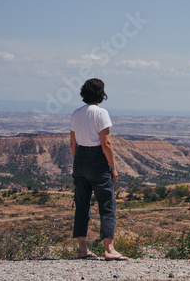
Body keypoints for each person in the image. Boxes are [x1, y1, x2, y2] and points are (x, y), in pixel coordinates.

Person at [70, 78, 128, 261]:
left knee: (82, 205)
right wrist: (112, 167)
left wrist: (78, 162)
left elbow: (73, 142)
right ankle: (109, 249)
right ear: (101, 94)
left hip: (79, 159)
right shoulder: (101, 113)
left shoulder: (76, 113)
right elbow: (106, 142)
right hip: (97, 161)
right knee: (107, 204)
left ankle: (82, 248)